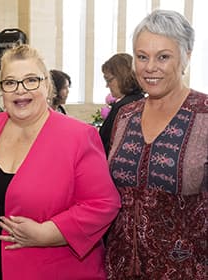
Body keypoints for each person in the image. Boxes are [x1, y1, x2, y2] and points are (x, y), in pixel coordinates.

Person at [0, 44, 121, 280]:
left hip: (54, 270)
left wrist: (46, 233)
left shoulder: (78, 136)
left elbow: (103, 204)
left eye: (31, 80)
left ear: (47, 85)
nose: (20, 90)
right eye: (10, 82)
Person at [105, 10, 208, 279]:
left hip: (188, 270)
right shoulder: (125, 115)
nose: (150, 67)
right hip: (120, 266)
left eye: (163, 56)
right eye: (142, 57)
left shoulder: (205, 115)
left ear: (186, 57)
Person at [99, 53, 144, 156]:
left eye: (109, 80)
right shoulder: (140, 99)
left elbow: (106, 143)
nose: (107, 85)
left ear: (122, 77)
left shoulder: (123, 107)